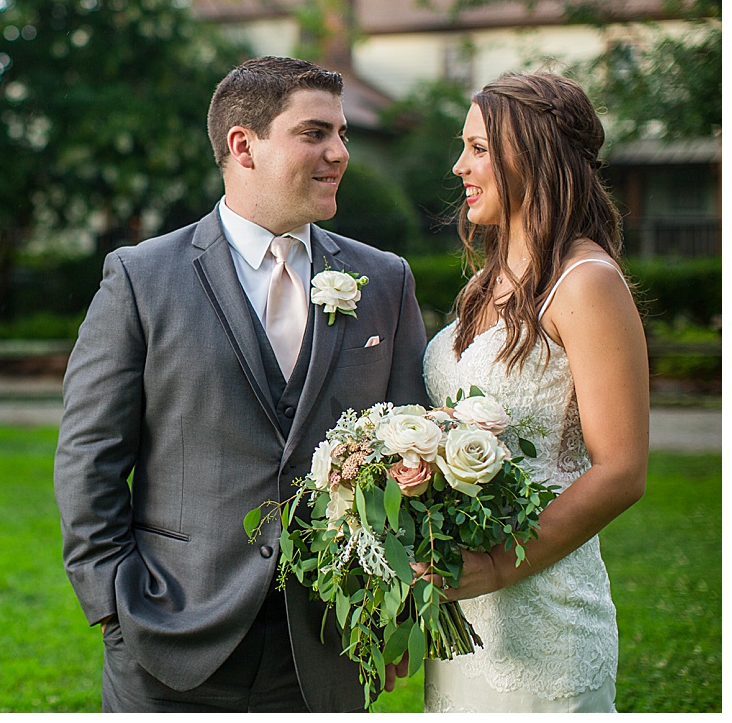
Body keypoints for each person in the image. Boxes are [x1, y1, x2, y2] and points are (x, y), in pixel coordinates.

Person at [53, 56, 429, 712]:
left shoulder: (385, 281)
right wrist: (113, 606)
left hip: (328, 638)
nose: (339, 153)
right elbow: (89, 459)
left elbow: (413, 457)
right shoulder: (142, 278)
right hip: (170, 632)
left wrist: (398, 604)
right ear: (242, 145)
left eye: (342, 135)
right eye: (315, 133)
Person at [418, 71, 650, 712]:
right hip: (466, 619)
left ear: (536, 154)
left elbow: (623, 471)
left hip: (545, 613)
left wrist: (495, 565)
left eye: (480, 148)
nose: (460, 165)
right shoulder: (482, 285)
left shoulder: (586, 282)